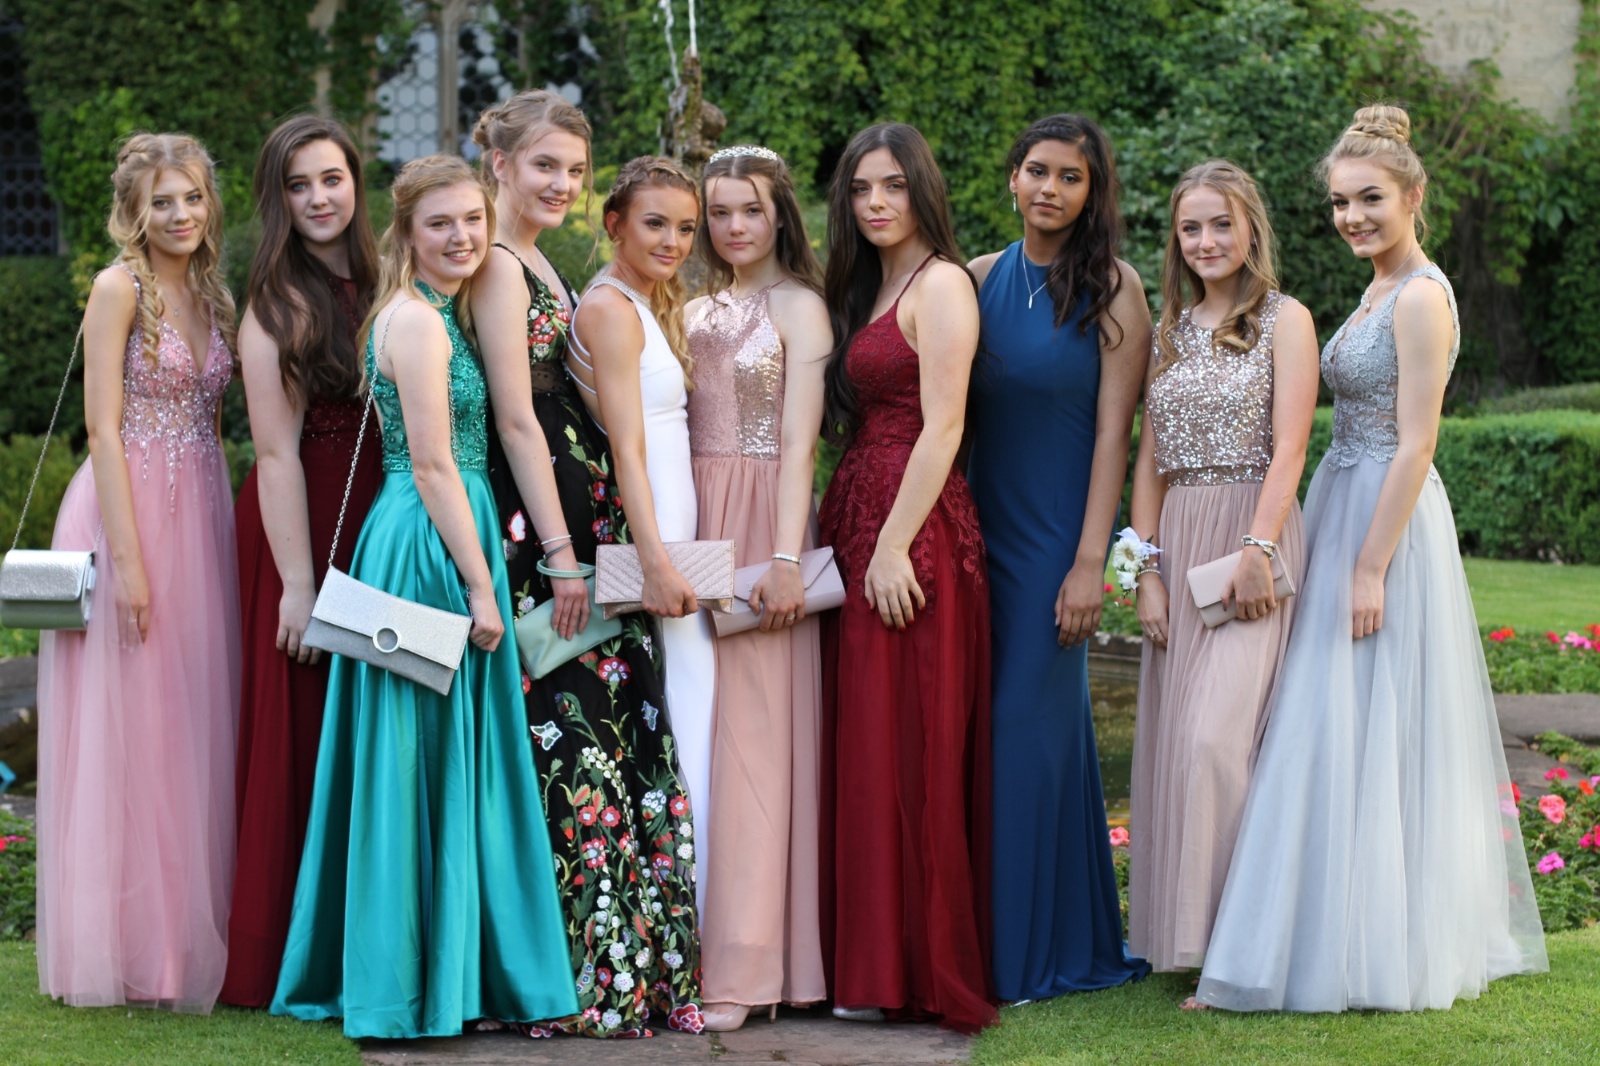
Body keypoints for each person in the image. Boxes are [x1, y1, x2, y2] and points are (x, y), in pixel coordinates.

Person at [1194, 105, 1548, 1012]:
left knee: (1368, 716)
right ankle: (1330, 933)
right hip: (1344, 499)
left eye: (1370, 200)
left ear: (1413, 196)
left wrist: (1367, 568)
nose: (1352, 217)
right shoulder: (1375, 290)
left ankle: (1367, 950)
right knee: (1330, 718)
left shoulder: (1422, 295)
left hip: (1386, 522)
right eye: (1341, 203)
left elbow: (1418, 442)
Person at [270, 155, 577, 1038]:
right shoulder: (414, 320)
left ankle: (452, 977)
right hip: (428, 543)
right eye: (441, 223)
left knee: (445, 757)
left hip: (447, 527)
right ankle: (405, 988)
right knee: (414, 757)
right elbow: (436, 464)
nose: (462, 237)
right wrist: (481, 586)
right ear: (406, 231)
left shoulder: (440, 312)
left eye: (474, 220)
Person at [470, 93, 703, 1037]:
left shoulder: (543, 264)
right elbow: (515, 417)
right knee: (571, 740)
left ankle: (625, 971)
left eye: (574, 169)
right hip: (545, 535)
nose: (562, 183)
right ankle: (574, 981)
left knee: (609, 730)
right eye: (545, 166)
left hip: (583, 515)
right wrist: (563, 558)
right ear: (499, 164)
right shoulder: (496, 264)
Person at [36, 131, 240, 1012]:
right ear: (134, 210)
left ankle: (179, 941)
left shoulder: (214, 289)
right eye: (163, 201)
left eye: (192, 197)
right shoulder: (117, 287)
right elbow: (102, 429)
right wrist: (128, 565)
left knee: (187, 723)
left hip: (200, 510)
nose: (181, 214)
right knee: (132, 728)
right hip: (127, 513)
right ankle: (127, 950)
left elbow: (216, 418)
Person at [965, 114, 1151, 1002]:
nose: (1050, 188)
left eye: (1070, 177)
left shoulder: (1115, 287)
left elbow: (1116, 436)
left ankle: (1025, 955)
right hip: (975, 536)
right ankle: (999, 938)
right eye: (1037, 170)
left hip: (1052, 547)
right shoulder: (974, 279)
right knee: (986, 734)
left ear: (1091, 192)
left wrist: (1089, 563)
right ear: (1013, 176)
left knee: (1022, 734)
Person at [815, 123, 996, 1033]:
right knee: (863, 742)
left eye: (892, 185)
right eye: (860, 190)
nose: (876, 203)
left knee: (904, 739)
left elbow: (945, 424)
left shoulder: (943, 285)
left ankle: (912, 971)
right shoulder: (868, 286)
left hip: (912, 533)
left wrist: (892, 546)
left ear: (922, 189)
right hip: (859, 518)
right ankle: (866, 960)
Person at [1125, 160, 1318, 985]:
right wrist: (1144, 572)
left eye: (1220, 224)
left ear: (1250, 229)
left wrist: (1259, 549)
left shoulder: (1286, 319)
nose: (1206, 241)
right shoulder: (1166, 330)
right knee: (1178, 742)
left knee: (1219, 740)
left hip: (1250, 536)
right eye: (1191, 227)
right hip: (1178, 539)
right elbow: (1147, 464)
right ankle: (1189, 943)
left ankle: (1246, 948)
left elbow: (1292, 447)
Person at [222, 114, 382, 1008]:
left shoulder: (390, 280)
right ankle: (299, 948)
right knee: (307, 729)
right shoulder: (275, 304)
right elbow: (275, 454)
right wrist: (297, 586)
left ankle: (375, 932)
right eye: (298, 184)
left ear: (356, 181)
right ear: (277, 199)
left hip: (382, 519)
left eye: (331, 178)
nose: (319, 198)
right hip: (302, 531)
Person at [684, 145, 829, 1031]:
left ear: (780, 215)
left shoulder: (802, 307)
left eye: (751, 209)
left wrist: (783, 558)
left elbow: (802, 442)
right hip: (693, 517)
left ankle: (747, 964)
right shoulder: (691, 305)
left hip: (764, 522)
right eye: (721, 211)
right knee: (699, 732)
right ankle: (686, 945)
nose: (735, 226)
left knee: (756, 740)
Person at [567, 156, 714, 953]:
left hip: (677, 520)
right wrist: (655, 560)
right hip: (655, 529)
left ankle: (703, 908)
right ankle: (692, 919)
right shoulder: (611, 309)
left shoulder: (647, 302)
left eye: (686, 228)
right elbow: (625, 447)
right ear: (614, 223)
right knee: (683, 704)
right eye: (656, 224)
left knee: (695, 701)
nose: (673, 241)